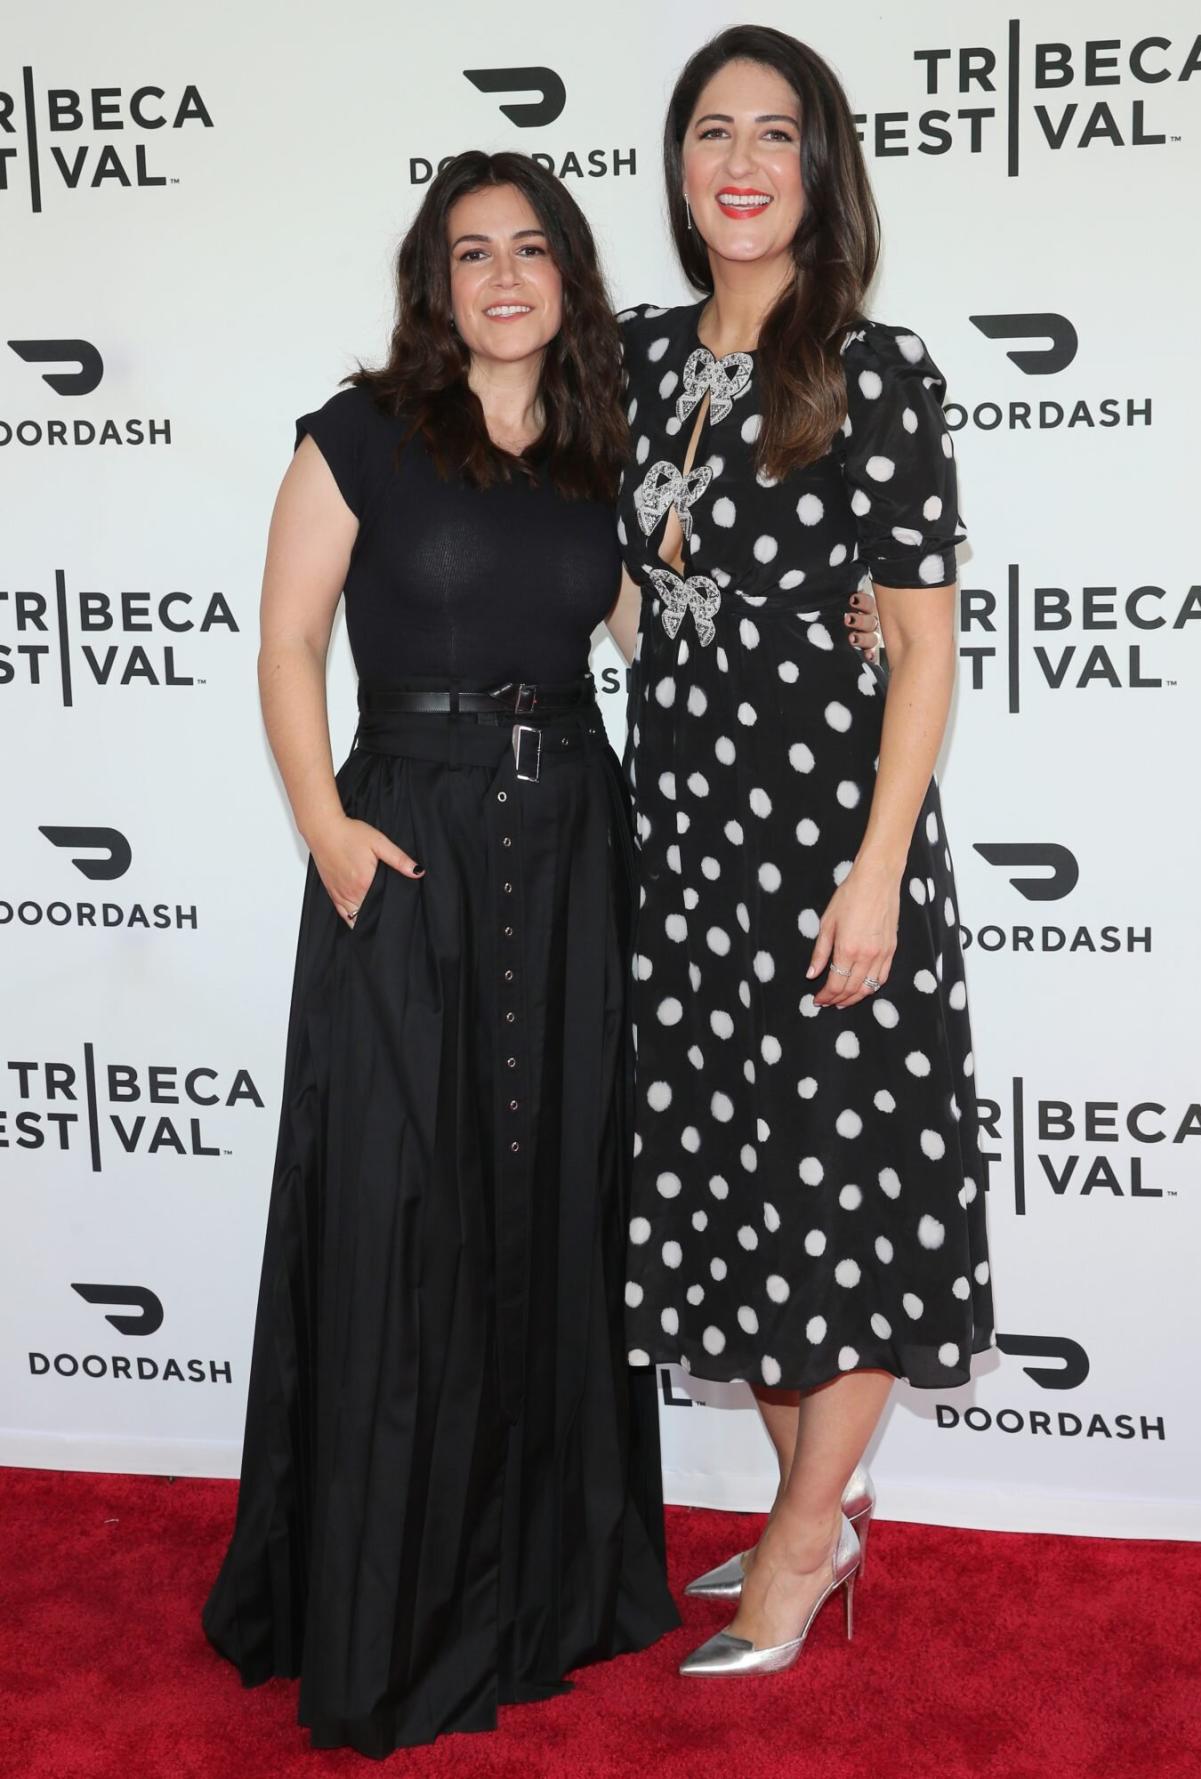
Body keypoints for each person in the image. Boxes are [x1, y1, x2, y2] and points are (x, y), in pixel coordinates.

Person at [201, 150, 679, 1756]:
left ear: (568, 276)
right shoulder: (361, 435)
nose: (500, 277)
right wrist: (327, 827)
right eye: (469, 251)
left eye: (529, 248)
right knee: (406, 1212)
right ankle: (393, 1596)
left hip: (572, 859)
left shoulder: (600, 453)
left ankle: (547, 1591)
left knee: (552, 1205)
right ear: (433, 279)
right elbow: (283, 640)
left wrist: (835, 624)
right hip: (406, 842)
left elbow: (650, 633)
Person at [608, 24, 996, 1676]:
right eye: (712, 131)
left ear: (819, 166)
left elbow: (920, 646)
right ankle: (812, 1517)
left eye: (776, 133)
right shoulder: (623, 361)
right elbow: (609, 577)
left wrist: (872, 866)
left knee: (842, 1190)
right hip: (684, 840)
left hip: (834, 841)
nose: (741, 161)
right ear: (679, 166)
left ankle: (787, 1552)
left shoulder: (878, 368)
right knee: (740, 1194)